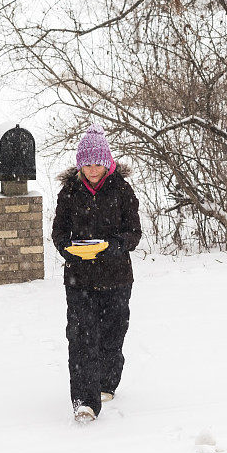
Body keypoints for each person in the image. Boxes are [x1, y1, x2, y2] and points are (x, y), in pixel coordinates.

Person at [51, 124, 142, 423]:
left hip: (116, 277)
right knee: (81, 337)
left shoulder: (122, 190)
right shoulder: (69, 193)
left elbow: (133, 233)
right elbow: (58, 232)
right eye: (87, 163)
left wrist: (112, 246)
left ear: (107, 163)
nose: (93, 169)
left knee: (112, 335)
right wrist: (68, 248)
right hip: (80, 279)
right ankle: (84, 400)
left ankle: (106, 381)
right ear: (80, 164)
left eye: (98, 163)